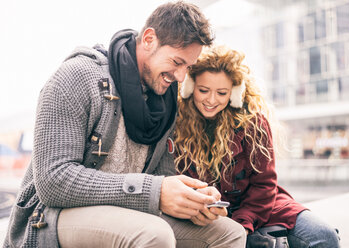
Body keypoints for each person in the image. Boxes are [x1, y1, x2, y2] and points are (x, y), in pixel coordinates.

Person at [3, 2, 247, 248]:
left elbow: (160, 177)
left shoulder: (165, 96)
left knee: (230, 233)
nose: (181, 76)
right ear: (149, 39)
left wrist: (190, 202)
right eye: (176, 61)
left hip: (129, 210)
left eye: (188, 66)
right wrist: (154, 190)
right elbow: (53, 182)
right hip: (51, 216)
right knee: (153, 234)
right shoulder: (76, 76)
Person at [175, 45, 340, 248]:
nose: (211, 100)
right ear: (189, 88)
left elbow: (264, 185)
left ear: (235, 93)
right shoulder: (175, 124)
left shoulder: (253, 123)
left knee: (324, 237)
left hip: (262, 208)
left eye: (221, 93)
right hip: (204, 218)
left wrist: (243, 225)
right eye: (203, 90)